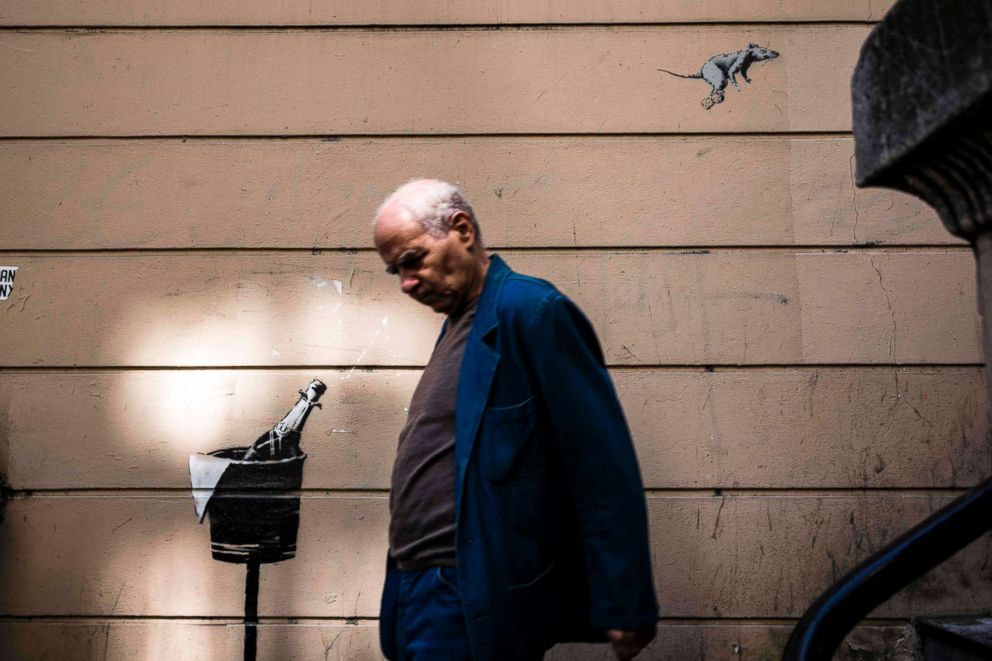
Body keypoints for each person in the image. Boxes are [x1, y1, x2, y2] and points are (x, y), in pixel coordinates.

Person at [373, 179, 658, 661]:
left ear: (461, 230)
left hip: (466, 590)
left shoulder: (530, 311)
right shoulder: (459, 326)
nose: (405, 282)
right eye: (395, 270)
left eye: (412, 260)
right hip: (414, 588)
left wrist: (625, 602)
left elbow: (601, 468)